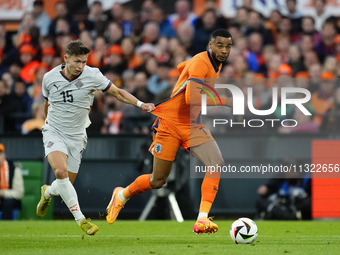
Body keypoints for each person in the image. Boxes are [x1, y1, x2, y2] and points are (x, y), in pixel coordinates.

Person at [106, 29, 233, 234]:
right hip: (170, 124)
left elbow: (185, 70)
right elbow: (191, 97)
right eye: (220, 45)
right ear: (210, 45)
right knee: (158, 180)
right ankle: (121, 195)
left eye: (228, 46)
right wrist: (225, 101)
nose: (224, 50)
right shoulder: (201, 62)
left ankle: (202, 218)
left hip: (192, 124)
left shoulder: (213, 64)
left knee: (216, 162)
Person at [36, 40, 155, 235]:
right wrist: (47, 124)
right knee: (60, 172)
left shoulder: (93, 75)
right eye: (77, 61)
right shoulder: (49, 78)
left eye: (84, 61)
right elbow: (47, 104)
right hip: (54, 131)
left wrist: (140, 104)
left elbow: (117, 93)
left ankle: (47, 192)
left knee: (65, 184)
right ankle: (82, 220)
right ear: (65, 58)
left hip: (77, 136)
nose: (81, 66)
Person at [0, 143, 24, 220]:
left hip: (7, 200)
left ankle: (5, 228)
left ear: (4, 155)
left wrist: (2, 193)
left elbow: (19, 193)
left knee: (8, 202)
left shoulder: (13, 169)